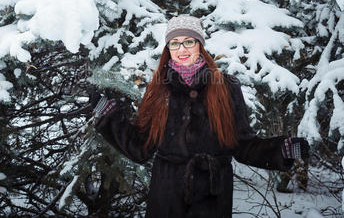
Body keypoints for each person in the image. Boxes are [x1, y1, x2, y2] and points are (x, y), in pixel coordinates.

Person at [92, 15, 309, 218]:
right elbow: (140, 148)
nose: (181, 49)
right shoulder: (160, 88)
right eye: (174, 43)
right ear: (168, 48)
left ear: (200, 45)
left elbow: (243, 144)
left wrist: (282, 150)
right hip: (167, 195)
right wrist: (110, 116)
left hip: (212, 196)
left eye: (189, 41)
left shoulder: (226, 86)